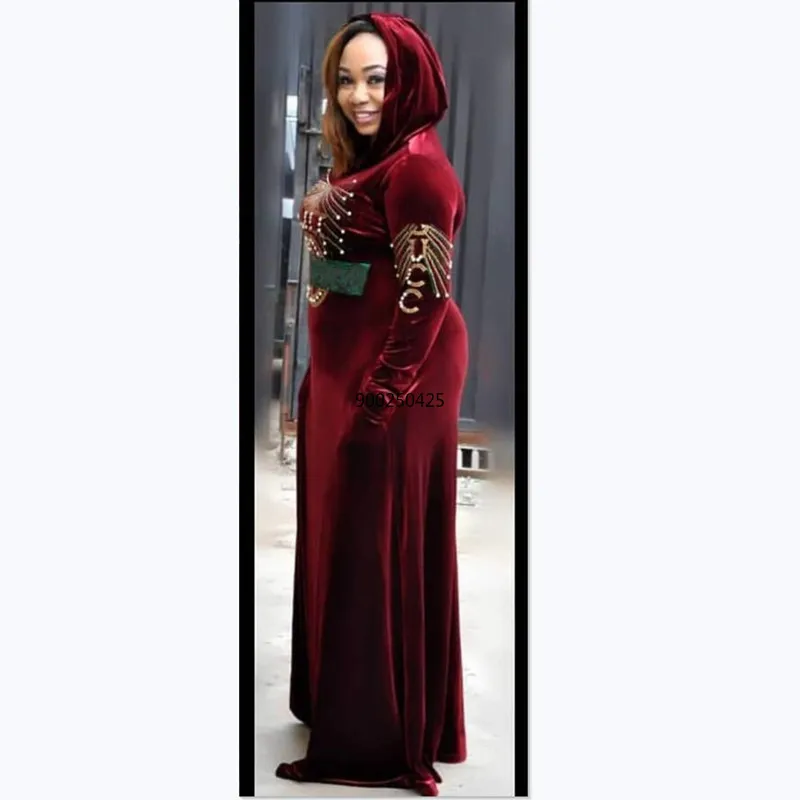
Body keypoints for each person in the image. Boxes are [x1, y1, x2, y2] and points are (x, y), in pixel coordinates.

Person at [276, 12, 469, 797]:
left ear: (410, 81)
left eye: (377, 79)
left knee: (370, 542)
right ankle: (344, 699)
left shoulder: (419, 169)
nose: (359, 96)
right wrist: (319, 373)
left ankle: (377, 735)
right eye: (348, 80)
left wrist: (375, 404)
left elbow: (424, 302)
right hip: (346, 374)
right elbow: (352, 275)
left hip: (397, 381)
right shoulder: (377, 159)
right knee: (338, 535)